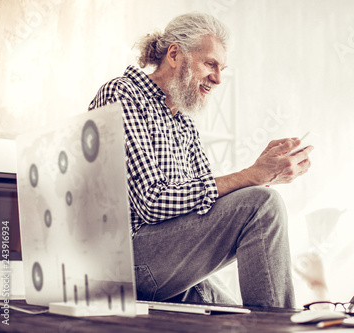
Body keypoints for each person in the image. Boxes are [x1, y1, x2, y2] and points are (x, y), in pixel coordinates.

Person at [88, 12, 313, 308]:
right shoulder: (122, 94)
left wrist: (263, 176)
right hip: (127, 263)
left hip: (169, 262)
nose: (218, 79)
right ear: (174, 55)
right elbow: (151, 201)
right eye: (210, 64)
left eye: (222, 69)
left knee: (240, 319)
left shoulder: (184, 124)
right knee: (262, 205)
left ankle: (276, 324)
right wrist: (250, 177)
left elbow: (208, 206)